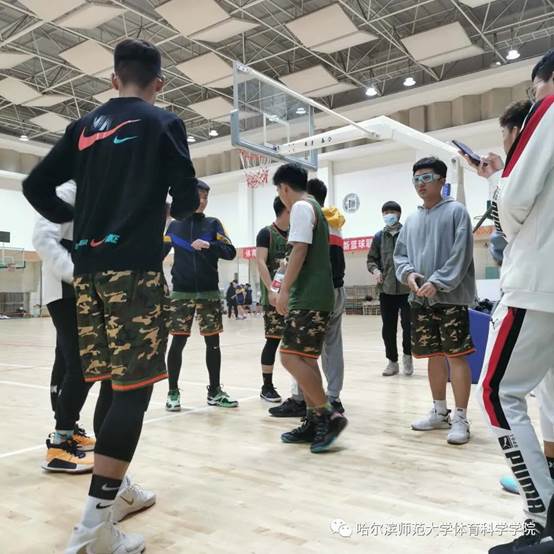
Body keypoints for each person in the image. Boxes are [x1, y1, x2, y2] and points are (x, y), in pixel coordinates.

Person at [23, 38, 199, 553]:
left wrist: (76, 221)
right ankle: (93, 530)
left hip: (87, 277)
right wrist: (165, 203)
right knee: (132, 393)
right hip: (135, 275)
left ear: (113, 79)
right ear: (158, 83)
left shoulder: (82, 127)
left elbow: (35, 187)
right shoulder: (164, 123)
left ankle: (116, 491)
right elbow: (187, 200)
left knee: (108, 383)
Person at [476, 50, 554, 553]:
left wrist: (501, 174)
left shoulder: (548, 111)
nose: (534, 98)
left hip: (538, 283)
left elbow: (511, 211)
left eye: (534, 88)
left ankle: (541, 517)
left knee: (497, 393)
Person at [461, 100, 539, 497]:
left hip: (533, 292)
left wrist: (495, 179)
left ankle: (540, 503)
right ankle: (545, 475)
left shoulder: (529, 164)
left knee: (496, 393)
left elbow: (507, 223)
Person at [394, 156, 476, 446]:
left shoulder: (456, 212)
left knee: (456, 356)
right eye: (416, 179)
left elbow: (461, 254)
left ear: (442, 180)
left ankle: (461, 417)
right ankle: (440, 412)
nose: (420, 184)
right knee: (433, 356)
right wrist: (409, 275)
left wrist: (438, 282)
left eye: (426, 178)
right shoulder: (412, 220)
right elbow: (400, 255)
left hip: (451, 298)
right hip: (420, 300)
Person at [273, 163, 347, 453]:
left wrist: (284, 290)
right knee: (305, 359)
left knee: (289, 357)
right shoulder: (314, 207)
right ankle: (315, 419)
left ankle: (328, 416)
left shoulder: (302, 207)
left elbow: (299, 250)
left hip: (309, 297)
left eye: (279, 191)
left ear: (284, 188)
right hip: (317, 295)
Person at [32, 181, 98, 473]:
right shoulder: (67, 191)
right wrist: (76, 274)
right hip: (65, 290)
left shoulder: (92, 192)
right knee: (82, 364)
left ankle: (68, 430)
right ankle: (59, 446)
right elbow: (42, 237)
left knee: (68, 361)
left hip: (78, 290)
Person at [164, 180, 239, 411]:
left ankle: (214, 391)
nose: (203, 201)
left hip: (208, 292)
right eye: (199, 196)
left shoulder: (213, 224)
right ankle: (173, 392)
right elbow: (158, 252)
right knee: (178, 342)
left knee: (213, 343)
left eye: (206, 197)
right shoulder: (174, 226)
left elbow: (230, 252)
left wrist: (209, 245)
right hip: (181, 293)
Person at [367, 201, 413, 377]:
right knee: (388, 328)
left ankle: (408, 357)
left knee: (408, 327)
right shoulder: (379, 237)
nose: (389, 215)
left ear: (399, 214)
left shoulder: (408, 234)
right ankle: (392, 362)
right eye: (385, 212)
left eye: (392, 212)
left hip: (407, 289)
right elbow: (371, 259)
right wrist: (375, 270)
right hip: (386, 290)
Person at [256, 196, 290, 403]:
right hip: (275, 297)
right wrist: (271, 290)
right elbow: (260, 262)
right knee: (273, 340)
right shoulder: (266, 233)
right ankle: (266, 386)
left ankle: (301, 390)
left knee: (296, 343)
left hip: (295, 297)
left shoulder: (296, 233)